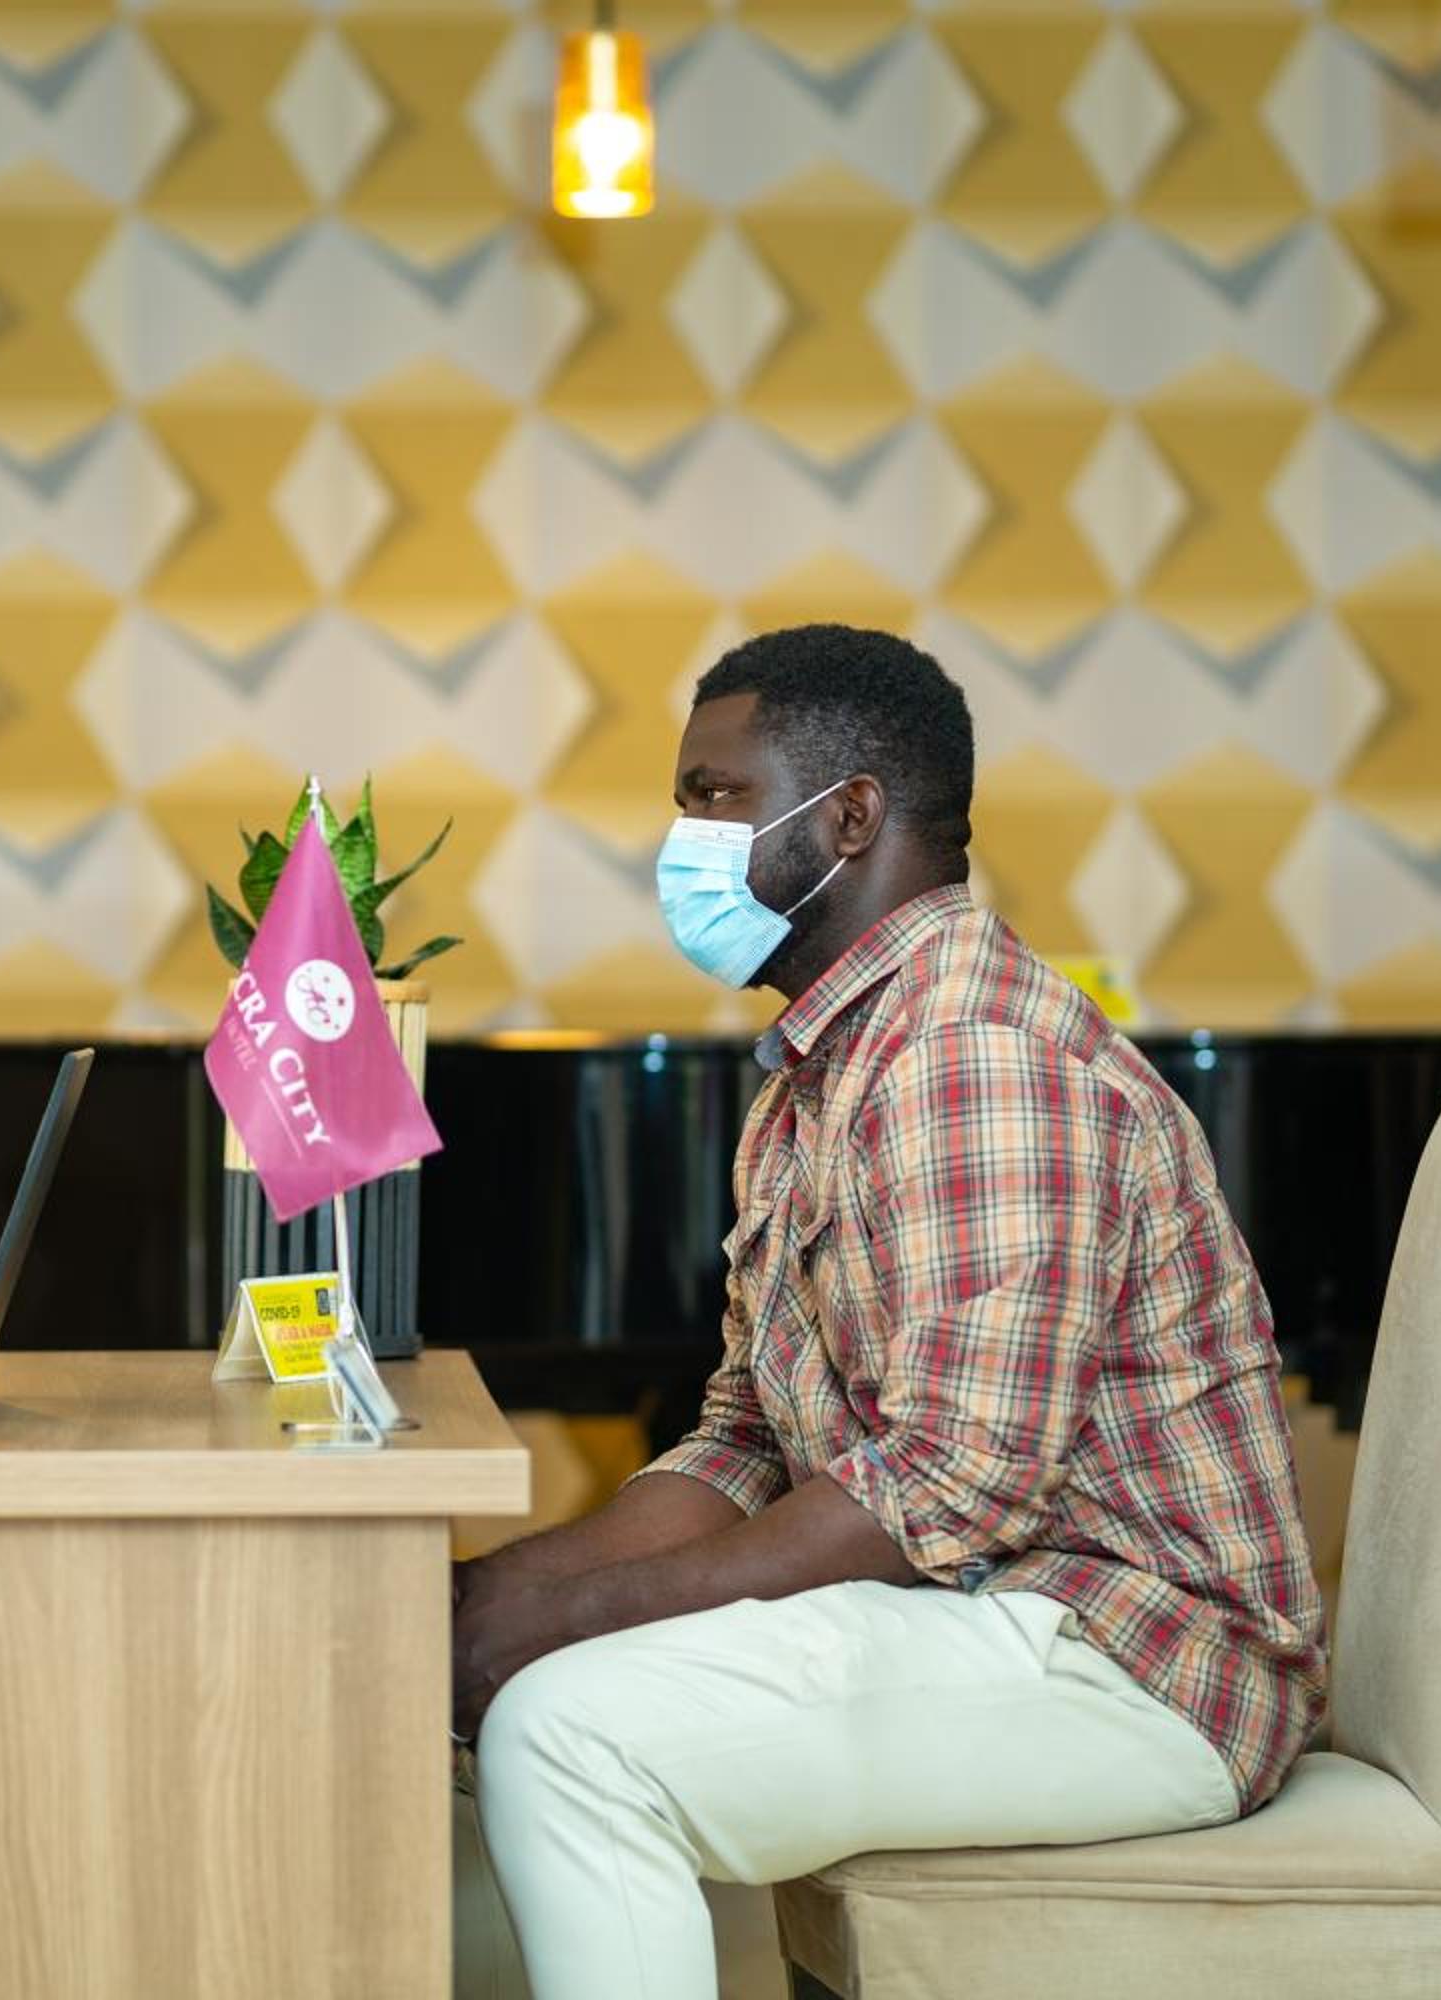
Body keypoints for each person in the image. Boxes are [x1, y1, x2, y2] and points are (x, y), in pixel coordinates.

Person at [451, 625, 1326, 1999]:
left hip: (1134, 1663)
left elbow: (955, 1484)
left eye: (717, 797)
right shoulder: (826, 1065)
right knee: (522, 1672)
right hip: (987, 1609)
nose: (684, 841)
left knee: (571, 1729)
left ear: (849, 816)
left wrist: (571, 1624)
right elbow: (745, 1441)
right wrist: (507, 1592)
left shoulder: (973, 1054)